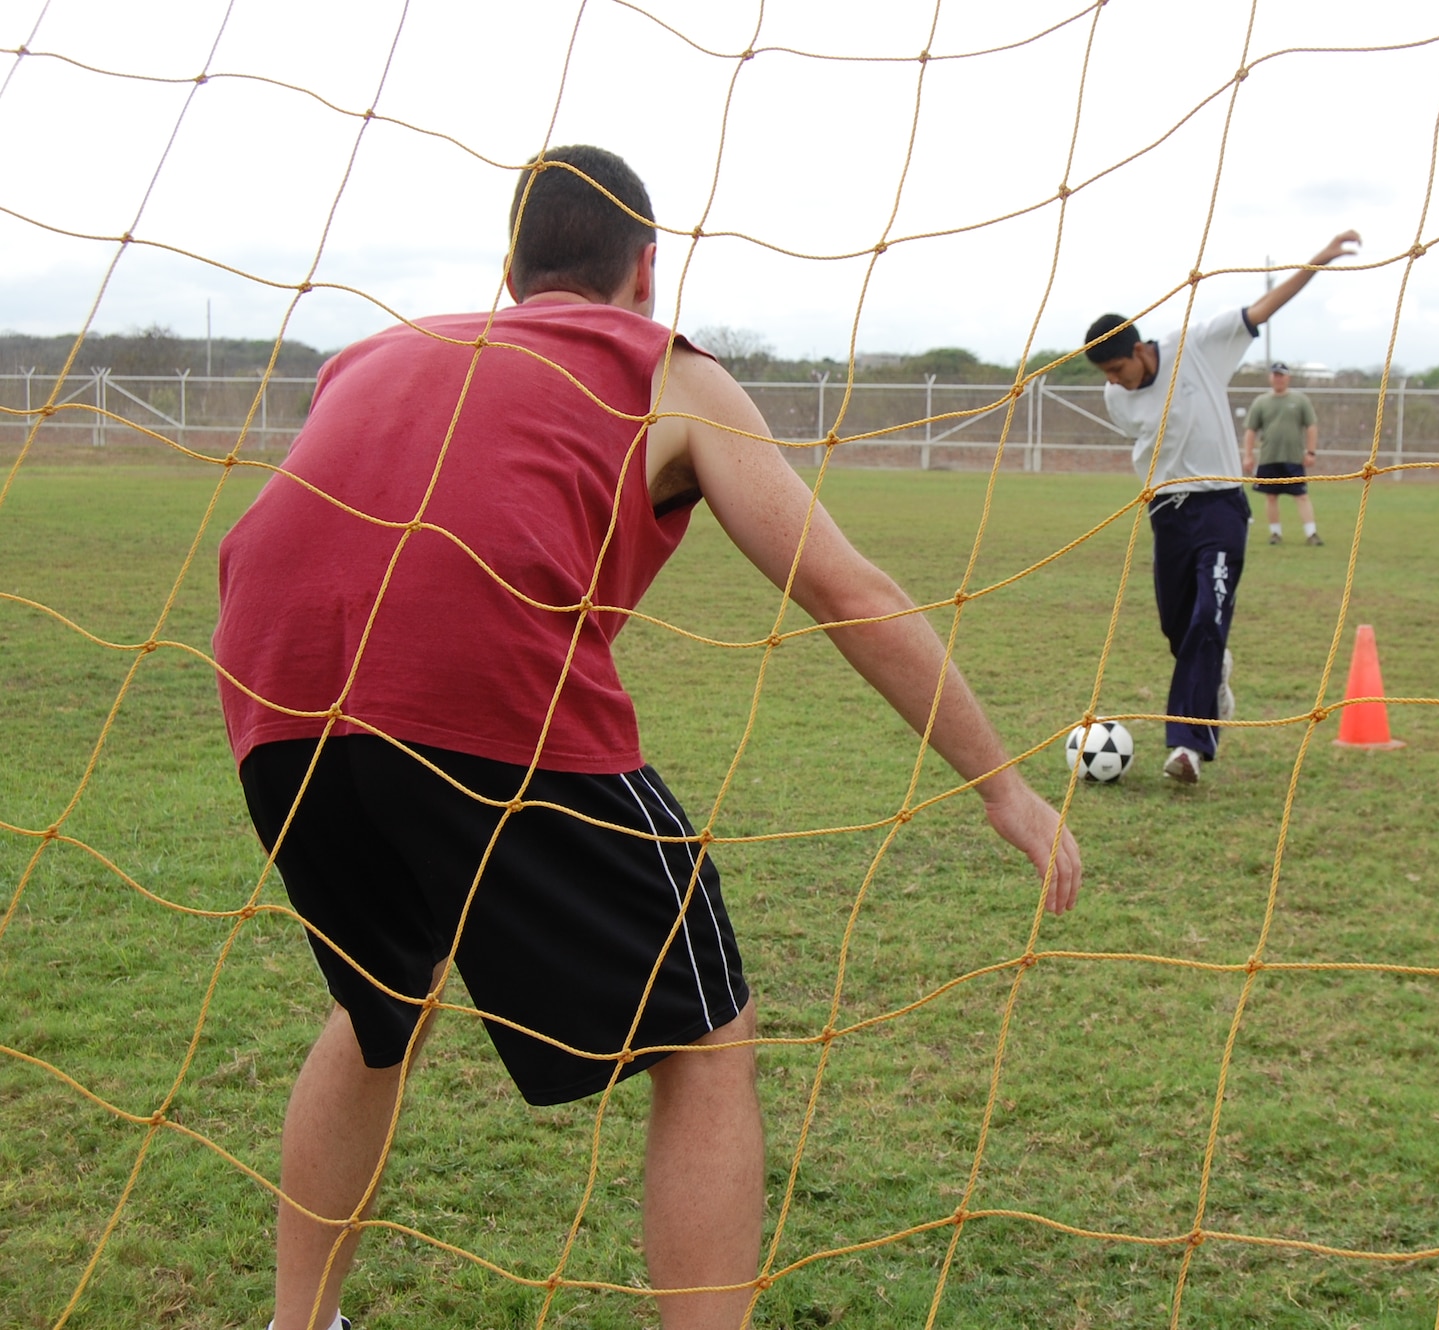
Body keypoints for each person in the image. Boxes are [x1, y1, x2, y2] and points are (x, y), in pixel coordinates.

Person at [212, 145, 1082, 1330]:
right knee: (708, 1037)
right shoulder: (662, 368)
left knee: (383, 1005)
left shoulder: (379, 352)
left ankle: (296, 1322)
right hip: (470, 682)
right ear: (647, 269)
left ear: (512, 268)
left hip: (270, 690)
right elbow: (843, 586)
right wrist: (1000, 786)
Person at [1084, 227, 1361, 784]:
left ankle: (1188, 746)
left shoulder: (1198, 346)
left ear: (1138, 350)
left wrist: (1320, 260)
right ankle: (1216, 674)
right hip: (1167, 516)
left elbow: (1262, 308)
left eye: (1118, 369)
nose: (1115, 382)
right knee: (1178, 629)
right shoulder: (1116, 398)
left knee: (1208, 619)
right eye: (1107, 376)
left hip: (1220, 509)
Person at [1242, 362, 1322, 546]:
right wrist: (1248, 455)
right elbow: (1251, 430)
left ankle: (1311, 533)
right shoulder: (1261, 402)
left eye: (1281, 375)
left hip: (1293, 458)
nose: (1278, 379)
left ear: (1288, 377)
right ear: (1270, 378)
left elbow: (1311, 426)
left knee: (1301, 495)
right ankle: (1275, 533)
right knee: (1271, 496)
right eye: (1275, 375)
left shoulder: (1300, 400)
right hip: (1269, 457)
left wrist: (1311, 451)